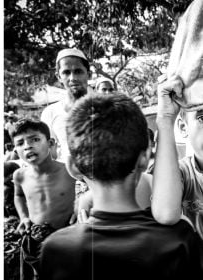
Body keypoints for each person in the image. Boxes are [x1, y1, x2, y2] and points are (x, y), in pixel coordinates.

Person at [40, 93, 201, 280]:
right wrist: (165, 120)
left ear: (73, 166)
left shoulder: (57, 249)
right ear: (143, 160)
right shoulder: (179, 239)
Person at [12, 119, 76, 280]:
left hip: (66, 236)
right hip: (35, 237)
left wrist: (79, 208)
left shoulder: (68, 171)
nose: (28, 146)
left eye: (35, 139)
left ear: (50, 143)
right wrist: (24, 217)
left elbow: (90, 188)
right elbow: (18, 195)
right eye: (20, 143)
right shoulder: (20, 175)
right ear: (16, 150)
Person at [151, 76, 203, 241]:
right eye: (202, 118)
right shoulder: (182, 173)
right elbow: (165, 213)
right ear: (183, 127)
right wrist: (165, 119)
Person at [41, 48, 91, 162]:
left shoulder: (105, 108)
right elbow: (49, 153)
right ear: (58, 76)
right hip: (65, 176)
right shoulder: (50, 113)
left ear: (88, 74)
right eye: (66, 72)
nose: (73, 78)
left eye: (78, 71)